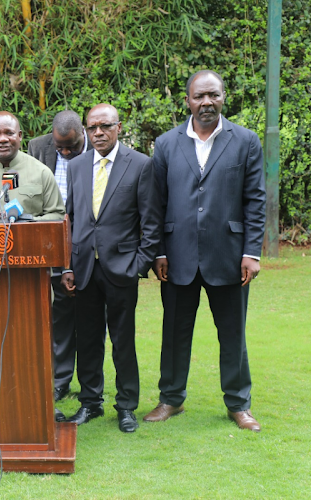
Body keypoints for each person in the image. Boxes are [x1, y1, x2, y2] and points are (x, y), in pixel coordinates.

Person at [144, 70, 266, 432]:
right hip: (177, 257)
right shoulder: (166, 144)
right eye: (199, 96)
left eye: (213, 95)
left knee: (233, 334)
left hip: (229, 257)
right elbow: (155, 204)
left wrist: (252, 252)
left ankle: (238, 404)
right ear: (187, 101)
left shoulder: (245, 141)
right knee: (174, 333)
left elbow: (255, 200)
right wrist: (159, 251)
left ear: (224, 97)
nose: (207, 102)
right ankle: (171, 399)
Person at [61, 104, 161, 433]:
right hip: (84, 268)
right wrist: (68, 266)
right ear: (87, 131)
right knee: (87, 340)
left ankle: (127, 406)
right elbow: (71, 219)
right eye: (92, 128)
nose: (98, 133)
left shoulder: (140, 165)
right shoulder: (75, 166)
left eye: (105, 126)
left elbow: (150, 222)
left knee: (123, 340)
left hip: (122, 269)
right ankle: (90, 403)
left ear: (118, 127)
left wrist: (139, 265)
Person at [28, 110, 90, 401]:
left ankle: (91, 386)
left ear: (83, 135)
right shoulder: (38, 147)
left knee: (90, 320)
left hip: (89, 246)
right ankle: (60, 381)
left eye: (71, 147)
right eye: (60, 147)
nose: (65, 152)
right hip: (49, 250)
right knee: (60, 319)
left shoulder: (96, 149)